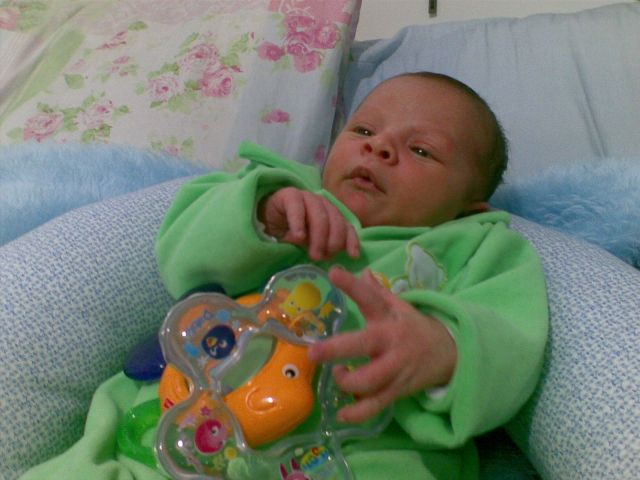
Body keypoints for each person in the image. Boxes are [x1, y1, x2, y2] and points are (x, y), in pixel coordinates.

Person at [19, 72, 548, 480]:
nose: (378, 147)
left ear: (468, 207)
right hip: (178, 430)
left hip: (355, 450)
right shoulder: (281, 192)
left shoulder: (477, 246)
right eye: (364, 130)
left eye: (421, 150)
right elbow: (182, 256)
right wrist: (262, 215)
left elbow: (512, 342)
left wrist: (441, 350)